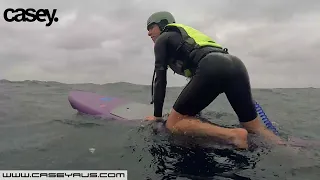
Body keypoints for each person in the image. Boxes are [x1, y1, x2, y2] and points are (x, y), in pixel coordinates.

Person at [144, 11, 283, 149]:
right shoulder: (183, 38)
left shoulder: (163, 39)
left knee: (173, 124)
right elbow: (198, 85)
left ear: (162, 25)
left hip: (212, 66)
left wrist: (157, 117)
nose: (149, 33)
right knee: (255, 128)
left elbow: (160, 80)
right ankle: (290, 150)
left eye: (151, 27)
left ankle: (233, 135)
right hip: (236, 65)